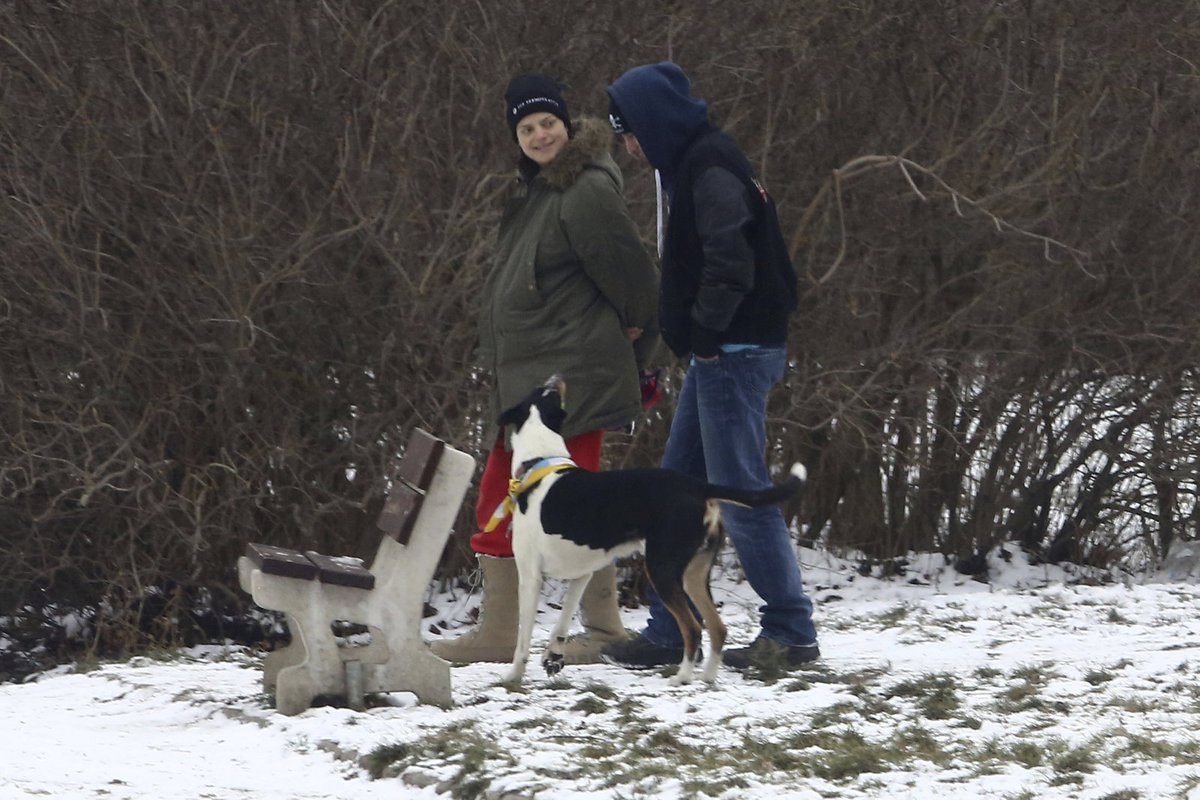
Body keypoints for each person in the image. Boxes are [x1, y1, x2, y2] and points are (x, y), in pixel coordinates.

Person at [430, 74, 660, 665]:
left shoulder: (582, 189)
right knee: (500, 496)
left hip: (570, 379)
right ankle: (502, 632)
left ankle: (603, 629)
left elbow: (634, 277)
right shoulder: (536, 191)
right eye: (526, 127)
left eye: (547, 123)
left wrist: (640, 344)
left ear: (566, 124)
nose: (538, 135)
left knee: (573, 504)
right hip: (528, 381)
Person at [600, 62, 820, 672]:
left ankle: (790, 632)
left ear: (655, 122)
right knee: (676, 492)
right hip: (720, 353)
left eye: (632, 134)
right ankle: (673, 631)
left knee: (741, 495)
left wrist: (703, 333)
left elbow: (733, 261)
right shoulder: (693, 163)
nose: (630, 148)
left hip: (733, 352)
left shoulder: (709, 165)